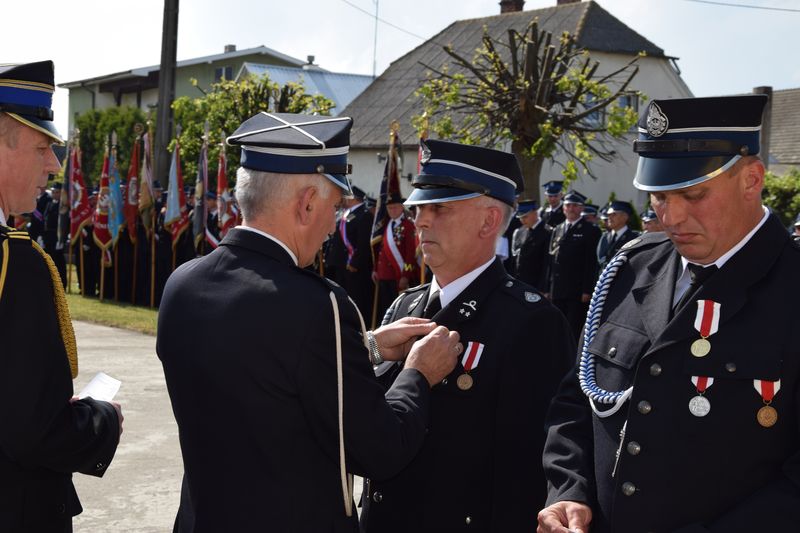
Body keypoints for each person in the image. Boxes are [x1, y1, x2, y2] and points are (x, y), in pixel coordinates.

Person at [157, 112, 461, 532]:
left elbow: (263, 366)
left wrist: (367, 346)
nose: (335, 225)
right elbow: (380, 448)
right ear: (306, 204)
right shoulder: (318, 306)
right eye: (335, 208)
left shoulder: (182, 284)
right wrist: (417, 374)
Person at [538, 94, 800, 533]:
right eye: (658, 196)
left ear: (752, 179)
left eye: (693, 194)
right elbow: (577, 401)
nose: (670, 215)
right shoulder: (630, 266)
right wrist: (570, 490)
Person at [360, 140, 574, 532]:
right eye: (420, 208)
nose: (421, 220)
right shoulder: (405, 307)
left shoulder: (531, 322)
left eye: (439, 208)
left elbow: (526, 470)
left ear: (489, 221)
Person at [0, 60, 123, 532]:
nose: (54, 165)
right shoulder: (16, 264)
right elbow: (31, 431)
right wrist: (102, 421)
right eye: (41, 146)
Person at [546, 190, 601, 338]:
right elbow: (551, 261)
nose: (571, 208)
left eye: (575, 206)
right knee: (556, 326)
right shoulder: (557, 229)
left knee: (573, 328)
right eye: (568, 205)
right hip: (557, 288)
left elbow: (591, 262)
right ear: (563, 207)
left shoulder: (590, 230)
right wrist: (547, 287)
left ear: (582, 208)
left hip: (576, 290)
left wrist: (587, 290)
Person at [372, 193, 419, 323]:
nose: (392, 211)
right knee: (384, 307)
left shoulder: (408, 226)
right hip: (383, 274)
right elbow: (380, 250)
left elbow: (411, 255)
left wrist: (406, 275)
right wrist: (376, 269)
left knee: (395, 309)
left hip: (397, 275)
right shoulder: (386, 224)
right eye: (389, 208)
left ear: (401, 208)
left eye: (395, 208)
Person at [511, 199, 551, 291]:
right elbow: (516, 258)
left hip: (536, 284)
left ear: (535, 213)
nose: (522, 220)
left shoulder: (547, 232)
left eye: (525, 217)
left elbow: (547, 263)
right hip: (520, 282)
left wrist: (544, 288)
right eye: (520, 217)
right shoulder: (520, 231)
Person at [596, 200, 640, 270]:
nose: (609, 218)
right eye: (608, 215)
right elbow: (601, 259)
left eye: (614, 214)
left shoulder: (634, 238)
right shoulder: (605, 236)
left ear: (625, 217)